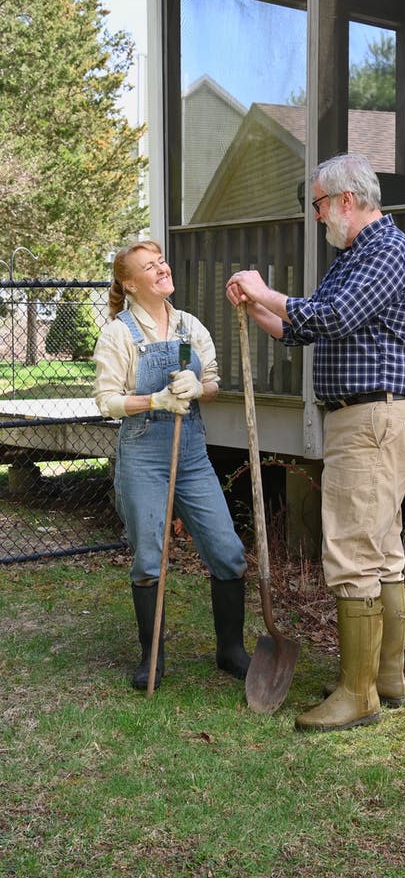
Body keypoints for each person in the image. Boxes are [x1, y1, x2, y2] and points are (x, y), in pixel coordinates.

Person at [226, 153, 405, 732]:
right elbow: (307, 325)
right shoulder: (355, 257)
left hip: (373, 424)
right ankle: (384, 679)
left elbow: (333, 315)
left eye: (316, 205)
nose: (316, 217)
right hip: (366, 422)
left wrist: (267, 288)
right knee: (382, 551)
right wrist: (261, 304)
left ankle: (357, 695)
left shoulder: (387, 250)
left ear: (344, 199)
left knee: (354, 554)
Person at [94, 239, 250, 690]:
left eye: (161, 261)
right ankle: (153, 658)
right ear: (130, 284)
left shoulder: (189, 326)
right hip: (143, 456)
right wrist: (155, 399)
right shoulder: (119, 333)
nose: (162, 269)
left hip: (193, 457)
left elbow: (214, 383)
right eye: (150, 266)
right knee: (148, 559)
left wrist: (198, 389)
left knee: (228, 552)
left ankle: (231, 650)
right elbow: (106, 401)